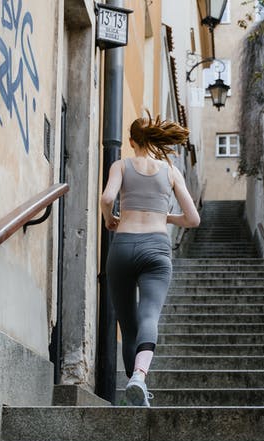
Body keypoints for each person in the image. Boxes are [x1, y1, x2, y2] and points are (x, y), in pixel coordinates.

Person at [100, 113, 201, 406]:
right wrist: (163, 215)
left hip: (122, 246)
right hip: (156, 249)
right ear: (154, 139)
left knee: (128, 324)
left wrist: (111, 220)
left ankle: (134, 390)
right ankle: (139, 378)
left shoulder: (120, 165)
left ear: (131, 141)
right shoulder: (170, 172)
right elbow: (193, 219)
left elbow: (107, 199)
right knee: (149, 316)